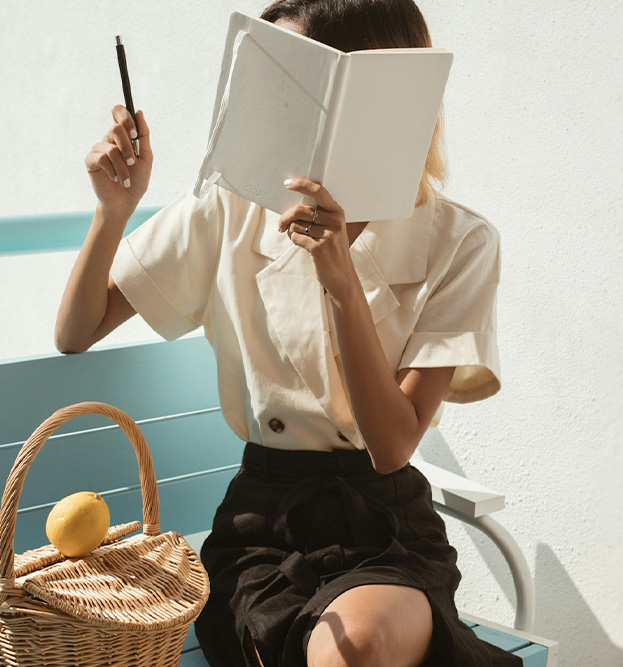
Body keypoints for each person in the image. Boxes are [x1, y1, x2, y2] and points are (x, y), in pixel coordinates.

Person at [55, 1, 516, 666]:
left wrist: (339, 280)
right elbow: (77, 329)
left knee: (353, 648)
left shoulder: (460, 242)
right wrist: (112, 212)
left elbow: (391, 444)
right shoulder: (228, 206)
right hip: (262, 523)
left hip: (385, 524)